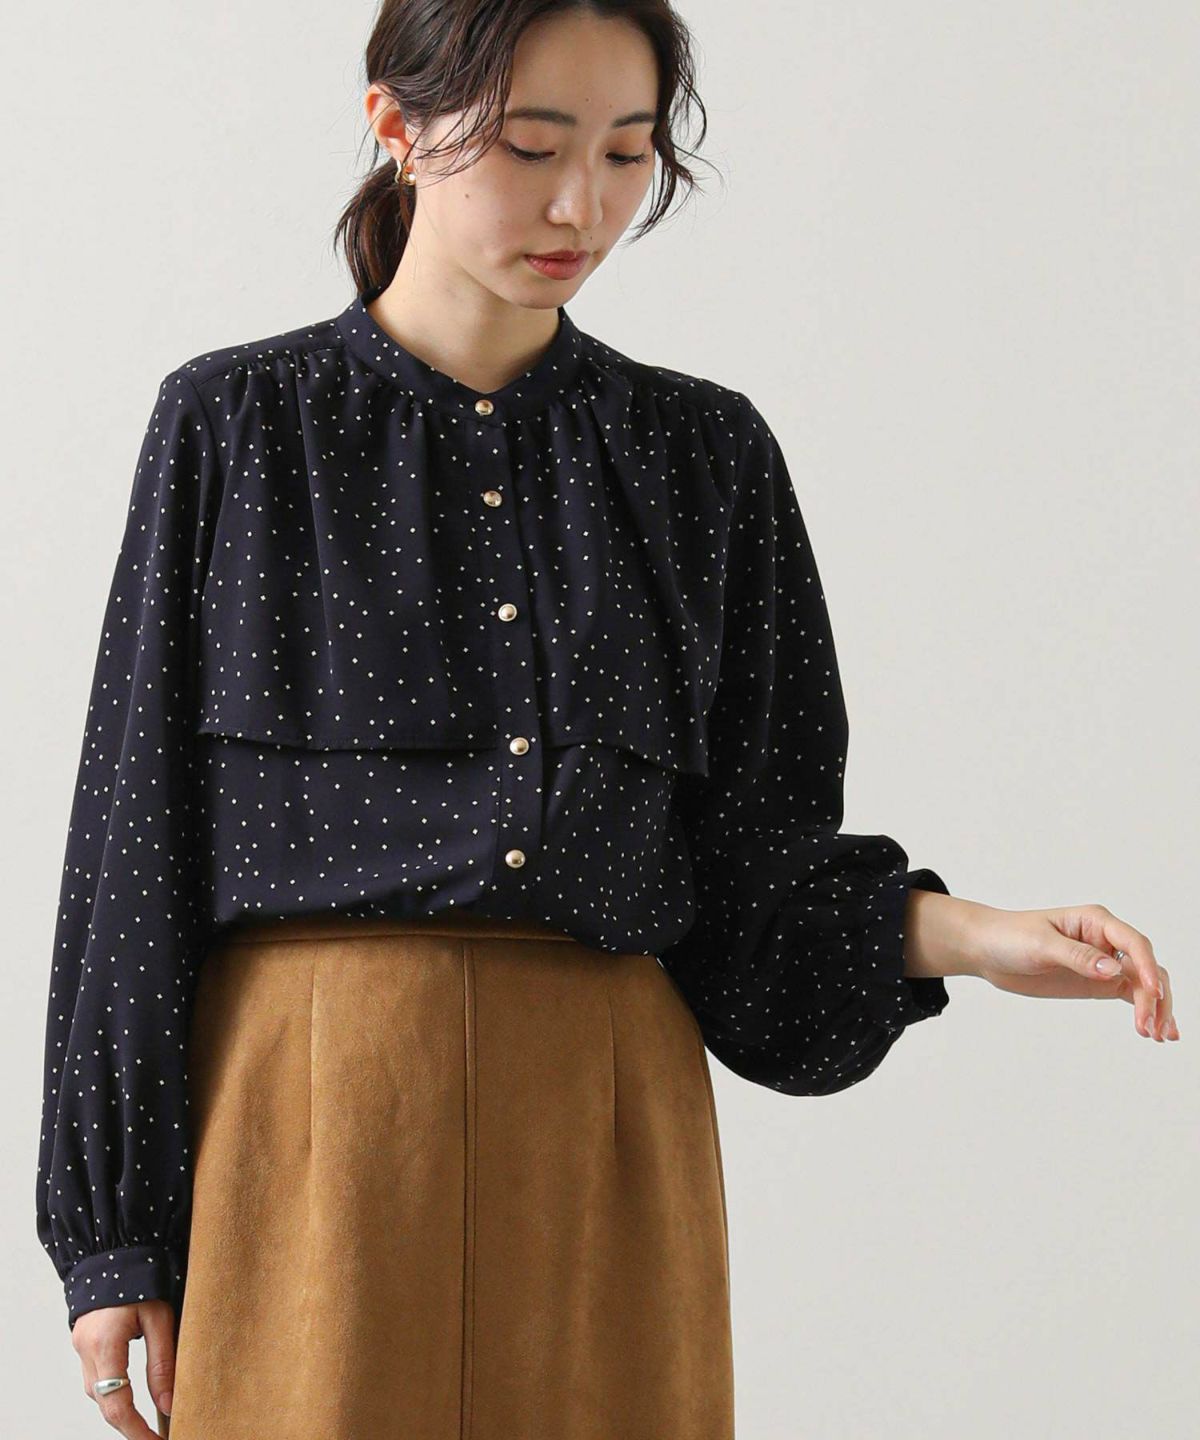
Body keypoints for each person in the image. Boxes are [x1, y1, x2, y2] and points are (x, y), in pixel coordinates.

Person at [37, 3, 1177, 1437]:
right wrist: (114, 1239)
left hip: (604, 1118)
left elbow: (754, 879)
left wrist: (982, 938)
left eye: (628, 154)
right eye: (531, 147)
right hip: (306, 1113)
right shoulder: (238, 423)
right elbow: (134, 841)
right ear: (396, 126)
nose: (582, 205)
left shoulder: (705, 456)